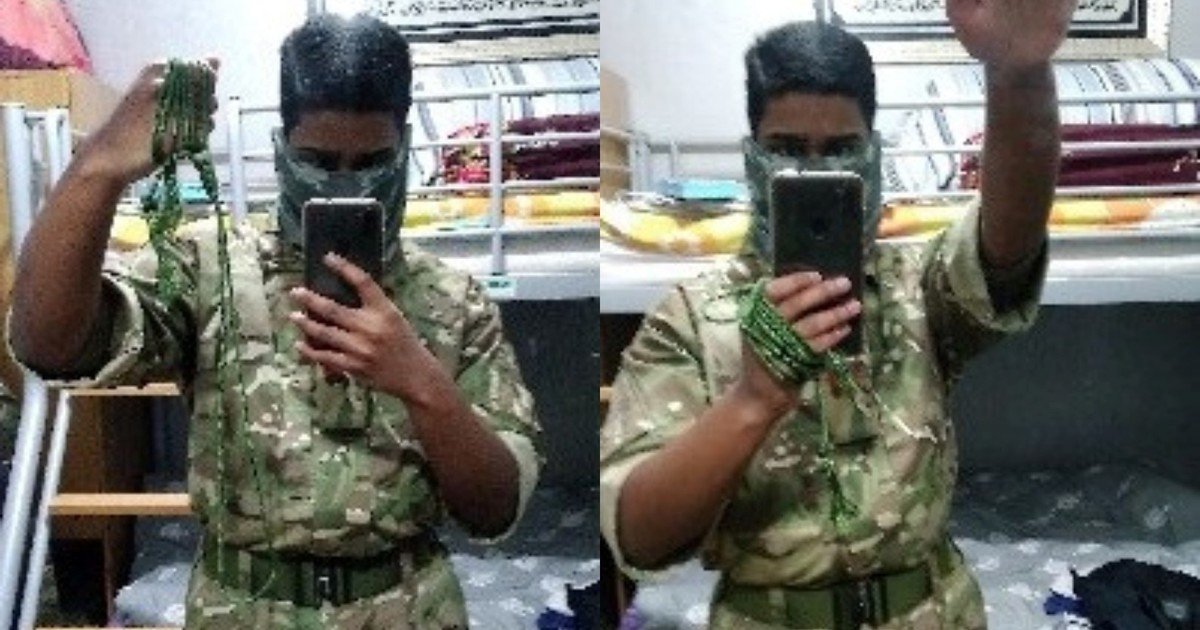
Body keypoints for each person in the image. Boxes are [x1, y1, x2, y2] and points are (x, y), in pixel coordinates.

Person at [9, 14, 541, 630]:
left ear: (405, 151)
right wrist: (99, 167)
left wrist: (420, 382)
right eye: (319, 160)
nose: (346, 181)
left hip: (409, 609)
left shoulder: (455, 300)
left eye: (374, 160)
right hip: (240, 611)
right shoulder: (209, 265)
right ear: (281, 149)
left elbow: (495, 510)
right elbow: (47, 345)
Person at [600, 1, 1075, 628]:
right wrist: (752, 400)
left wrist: (1020, 74)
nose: (815, 168)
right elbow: (639, 538)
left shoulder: (919, 286)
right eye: (786, 148)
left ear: (873, 153)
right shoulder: (689, 319)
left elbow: (1010, 241)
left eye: (842, 148)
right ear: (752, 155)